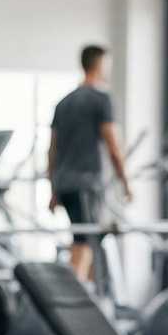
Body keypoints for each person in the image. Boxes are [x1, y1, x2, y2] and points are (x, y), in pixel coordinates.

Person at [48, 44, 132, 281]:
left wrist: (53, 190)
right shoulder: (101, 99)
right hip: (86, 185)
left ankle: (92, 300)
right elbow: (114, 147)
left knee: (90, 241)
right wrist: (127, 183)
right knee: (83, 243)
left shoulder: (63, 103)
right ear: (100, 64)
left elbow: (52, 150)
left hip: (65, 183)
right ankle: (71, 307)